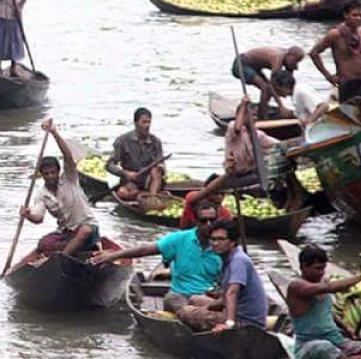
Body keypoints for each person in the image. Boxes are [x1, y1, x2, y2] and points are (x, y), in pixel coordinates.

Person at [91, 200, 224, 313]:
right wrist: (114, 255)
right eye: (204, 220)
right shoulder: (180, 239)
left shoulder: (224, 244)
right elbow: (144, 250)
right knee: (181, 305)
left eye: (212, 220)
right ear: (196, 221)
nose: (209, 224)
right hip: (180, 295)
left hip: (207, 296)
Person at [14, 118, 99, 267]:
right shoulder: (42, 194)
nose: (50, 176)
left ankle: (62, 258)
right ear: (42, 175)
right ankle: (73, 250)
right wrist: (27, 215)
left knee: (84, 231)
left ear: (58, 172)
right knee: (44, 244)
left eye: (53, 172)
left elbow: (67, 156)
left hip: (87, 228)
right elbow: (38, 218)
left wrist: (54, 132)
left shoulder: (69, 179)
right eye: (46, 174)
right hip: (67, 233)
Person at [288, 245, 361, 359]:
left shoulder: (322, 281)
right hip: (309, 345)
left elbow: (326, 312)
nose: (322, 273)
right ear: (304, 266)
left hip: (336, 340)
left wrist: (346, 328)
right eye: (318, 268)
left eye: (323, 268)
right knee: (324, 347)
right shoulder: (297, 286)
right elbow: (330, 287)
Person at [177, 219, 269, 333]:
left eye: (221, 239)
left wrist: (229, 324)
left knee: (186, 312)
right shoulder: (227, 259)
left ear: (232, 242)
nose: (215, 243)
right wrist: (206, 308)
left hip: (245, 323)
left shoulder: (239, 260)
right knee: (194, 299)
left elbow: (232, 292)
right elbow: (224, 298)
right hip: (233, 311)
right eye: (213, 239)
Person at [107, 107, 165, 200]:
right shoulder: (123, 141)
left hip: (150, 183)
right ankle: (141, 195)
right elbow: (109, 165)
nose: (147, 125)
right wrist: (125, 173)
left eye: (149, 122)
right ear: (136, 123)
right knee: (122, 193)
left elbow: (161, 162)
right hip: (131, 182)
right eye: (144, 122)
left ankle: (151, 198)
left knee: (156, 171)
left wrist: (161, 166)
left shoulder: (156, 142)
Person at [232, 45, 304, 118]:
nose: (295, 64)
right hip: (241, 64)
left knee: (268, 88)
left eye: (298, 62)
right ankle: (262, 115)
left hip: (255, 68)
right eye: (295, 61)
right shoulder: (277, 58)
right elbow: (273, 85)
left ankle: (262, 110)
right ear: (289, 55)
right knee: (266, 88)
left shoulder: (289, 60)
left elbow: (290, 85)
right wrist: (281, 106)